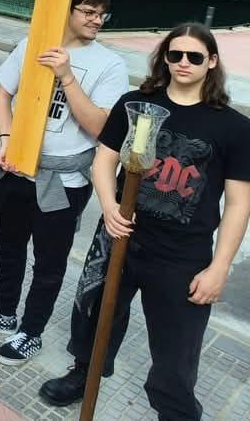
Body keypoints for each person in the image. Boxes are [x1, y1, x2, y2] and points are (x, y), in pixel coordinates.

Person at [38, 24, 250, 417]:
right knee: (96, 314)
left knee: (177, 347)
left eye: (194, 56)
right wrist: (108, 205)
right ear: (164, 58)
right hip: (120, 237)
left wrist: (219, 268)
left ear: (213, 62)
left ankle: (175, 409)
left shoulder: (233, 128)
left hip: (182, 255)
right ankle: (85, 372)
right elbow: (105, 160)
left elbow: (239, 203)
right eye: (175, 54)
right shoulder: (135, 103)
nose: (183, 63)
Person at [0, 0, 129, 365]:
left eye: (102, 14)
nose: (96, 20)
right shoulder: (32, 44)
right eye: (87, 11)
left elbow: (101, 127)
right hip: (16, 168)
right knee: (8, 247)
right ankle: (3, 314)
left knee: (49, 262)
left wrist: (67, 76)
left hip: (62, 182)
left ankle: (30, 332)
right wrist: (5, 138)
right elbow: (2, 93)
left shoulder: (109, 64)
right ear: (66, 11)